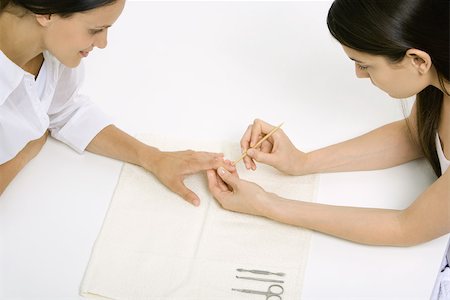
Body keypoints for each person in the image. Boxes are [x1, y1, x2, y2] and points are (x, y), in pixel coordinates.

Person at [206, 0, 449, 298]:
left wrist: (268, 204)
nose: (359, 75)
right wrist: (302, 162)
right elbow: (415, 134)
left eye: (365, 64)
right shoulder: (439, 77)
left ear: (418, 60)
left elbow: (407, 227)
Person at [0, 0, 234, 206]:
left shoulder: (52, 56)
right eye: (95, 30)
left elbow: (65, 111)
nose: (103, 43)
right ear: (46, 12)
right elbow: (45, 121)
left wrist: (153, 157)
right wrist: (27, 149)